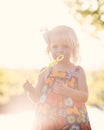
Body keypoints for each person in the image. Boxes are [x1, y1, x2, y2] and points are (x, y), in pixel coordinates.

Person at [23, 25, 92, 130]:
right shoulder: (45, 71)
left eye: (65, 46)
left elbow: (84, 96)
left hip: (72, 121)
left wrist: (68, 91)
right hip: (47, 120)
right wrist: (30, 90)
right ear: (49, 48)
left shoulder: (77, 71)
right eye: (55, 47)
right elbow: (37, 98)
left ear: (73, 48)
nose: (60, 50)